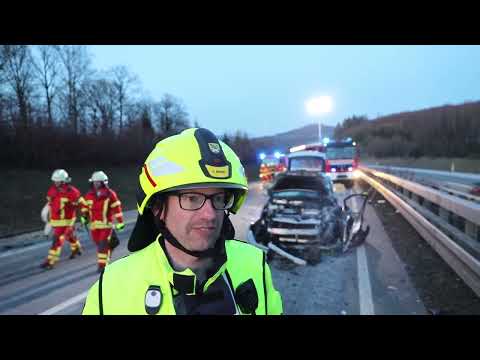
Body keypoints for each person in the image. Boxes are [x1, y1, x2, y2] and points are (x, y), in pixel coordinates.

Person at [82, 128, 283, 315]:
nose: (210, 214)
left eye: (219, 198)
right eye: (191, 198)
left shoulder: (254, 264)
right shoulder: (112, 286)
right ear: (158, 207)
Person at [80, 171, 125, 273]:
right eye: (94, 182)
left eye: (98, 182)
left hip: (106, 226)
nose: (96, 184)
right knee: (101, 245)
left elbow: (117, 209)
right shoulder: (89, 195)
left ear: (103, 182)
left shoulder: (110, 194)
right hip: (94, 226)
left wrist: (120, 222)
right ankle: (106, 258)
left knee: (102, 245)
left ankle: (102, 266)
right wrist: (84, 217)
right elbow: (85, 208)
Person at [40, 169, 83, 270]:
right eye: (54, 180)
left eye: (57, 180)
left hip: (67, 221)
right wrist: (47, 216)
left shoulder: (72, 192)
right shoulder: (52, 190)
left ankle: (50, 261)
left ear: (64, 181)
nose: (55, 182)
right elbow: (50, 204)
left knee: (57, 240)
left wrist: (84, 214)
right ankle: (76, 248)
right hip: (56, 220)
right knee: (69, 235)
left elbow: (81, 204)